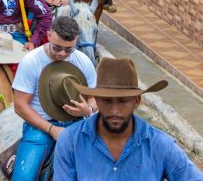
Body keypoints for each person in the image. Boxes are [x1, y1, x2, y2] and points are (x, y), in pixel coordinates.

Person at [54, 57, 203, 180]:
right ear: (97, 100)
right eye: (106, 101)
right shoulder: (70, 141)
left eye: (123, 101)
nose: (114, 110)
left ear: (136, 102)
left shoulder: (160, 144)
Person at [11, 16, 98, 181]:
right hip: (41, 126)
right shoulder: (31, 61)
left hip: (78, 125)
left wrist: (88, 110)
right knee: (23, 177)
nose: (62, 54)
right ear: (48, 35)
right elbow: (20, 105)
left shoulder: (83, 61)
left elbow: (95, 98)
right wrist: (52, 130)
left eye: (68, 49)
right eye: (57, 48)